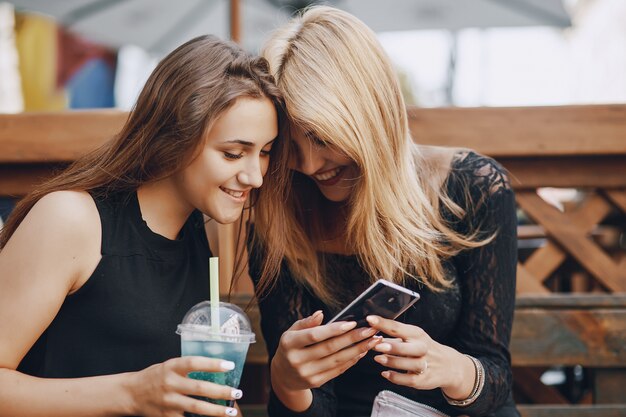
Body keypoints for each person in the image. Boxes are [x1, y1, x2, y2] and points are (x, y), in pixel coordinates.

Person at [248, 6, 519, 417]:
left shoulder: (475, 187)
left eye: (322, 138)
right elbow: (311, 407)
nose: (307, 165)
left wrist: (454, 370)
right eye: (289, 146)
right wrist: (288, 382)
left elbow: (495, 378)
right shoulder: (278, 218)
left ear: (370, 116)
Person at [0, 35, 283, 417]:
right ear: (176, 136)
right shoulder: (71, 220)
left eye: (264, 153)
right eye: (234, 153)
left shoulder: (202, 232)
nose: (255, 176)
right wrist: (131, 393)